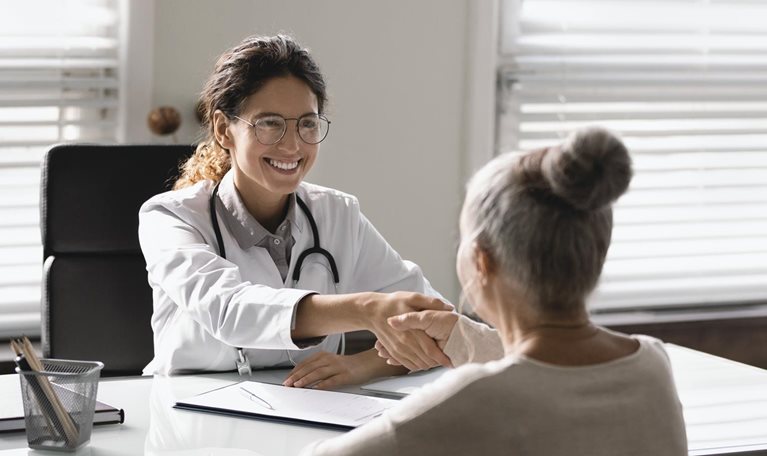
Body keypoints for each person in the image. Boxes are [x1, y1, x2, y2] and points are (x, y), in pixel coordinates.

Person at [302, 127, 688, 455]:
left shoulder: (470, 400)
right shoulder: (653, 365)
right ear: (597, 254)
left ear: (481, 262)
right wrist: (464, 338)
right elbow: (554, 374)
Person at [138, 35, 452, 384]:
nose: (292, 145)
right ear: (224, 130)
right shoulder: (170, 218)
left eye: (307, 123)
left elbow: (437, 324)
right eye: (270, 123)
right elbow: (228, 310)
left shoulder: (337, 214)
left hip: (311, 416)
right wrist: (366, 310)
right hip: (189, 421)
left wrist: (360, 366)